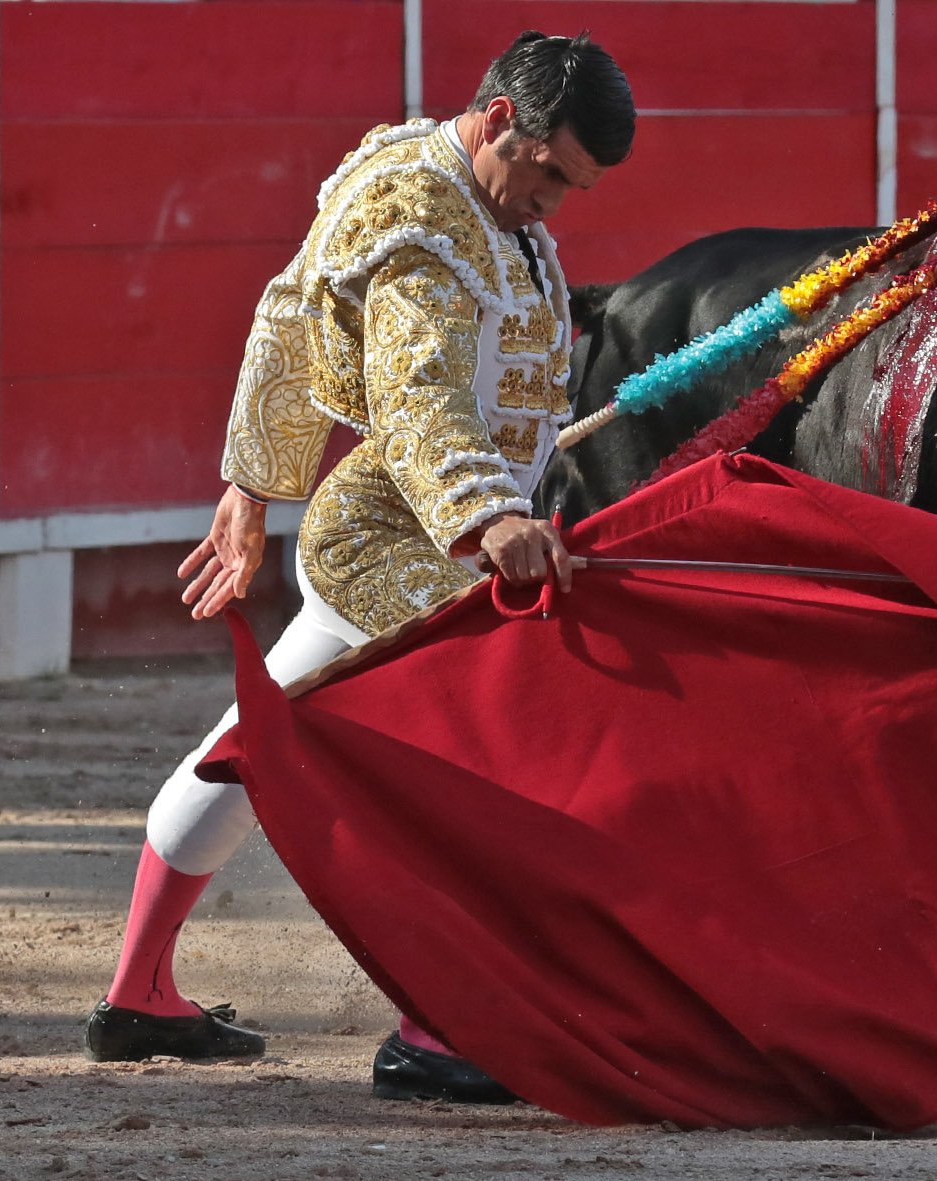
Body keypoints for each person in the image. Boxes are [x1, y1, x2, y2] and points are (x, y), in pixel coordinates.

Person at [83, 31, 636, 1104]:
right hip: (400, 534)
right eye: (550, 175)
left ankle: (138, 990)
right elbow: (419, 386)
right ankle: (431, 1027)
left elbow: (290, 308)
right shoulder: (424, 219)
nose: (554, 204)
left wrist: (254, 482)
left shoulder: (455, 190)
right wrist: (484, 518)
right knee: (487, 739)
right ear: (496, 121)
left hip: (401, 521)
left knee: (255, 742)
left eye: (575, 188)